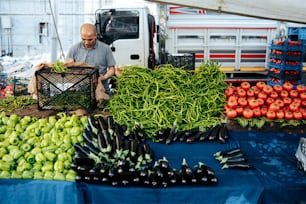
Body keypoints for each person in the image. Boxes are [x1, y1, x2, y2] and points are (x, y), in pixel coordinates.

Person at [66, 23, 116, 96]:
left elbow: (112, 69)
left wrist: (104, 77)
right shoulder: (74, 49)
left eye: (90, 40)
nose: (86, 43)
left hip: (101, 90)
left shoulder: (105, 49)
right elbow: (67, 67)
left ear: (96, 35)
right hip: (80, 91)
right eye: (83, 39)